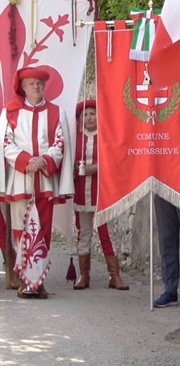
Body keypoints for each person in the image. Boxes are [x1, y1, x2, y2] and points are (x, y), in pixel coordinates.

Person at [0, 66, 74, 299]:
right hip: (20, 180)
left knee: (42, 229)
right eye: (32, 83)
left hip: (44, 179)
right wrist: (25, 160)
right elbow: (5, 142)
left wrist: (43, 160)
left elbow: (61, 142)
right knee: (20, 229)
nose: (37, 87)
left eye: (40, 83)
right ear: (23, 87)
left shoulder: (56, 112)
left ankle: (38, 281)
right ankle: (24, 280)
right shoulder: (9, 112)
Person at [72, 99, 129, 291]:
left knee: (106, 234)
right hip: (81, 192)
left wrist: (97, 167)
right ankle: (83, 275)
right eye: (85, 114)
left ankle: (114, 275)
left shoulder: (106, 137)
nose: (89, 117)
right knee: (84, 233)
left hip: (102, 192)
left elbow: (116, 160)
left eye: (92, 113)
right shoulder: (76, 139)